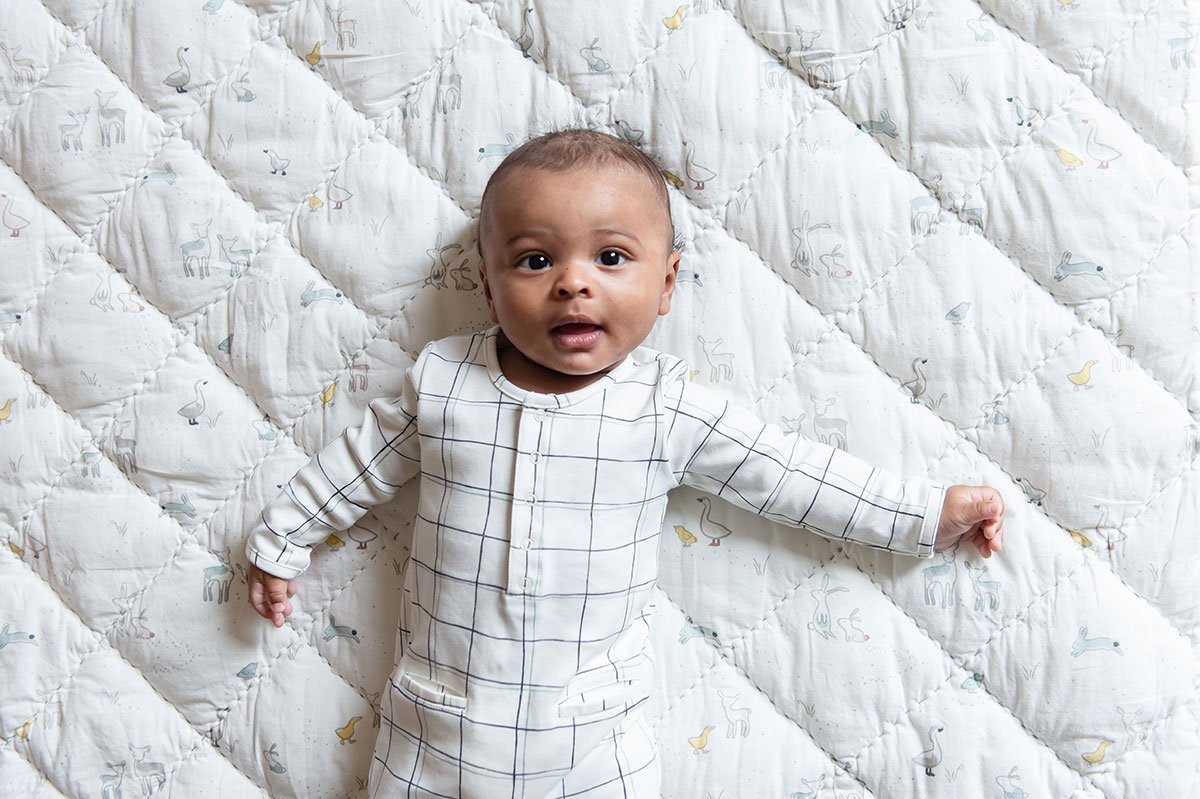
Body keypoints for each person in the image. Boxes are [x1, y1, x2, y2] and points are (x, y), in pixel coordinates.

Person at [244, 129, 1006, 798]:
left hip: (590, 735)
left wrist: (921, 513)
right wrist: (282, 537)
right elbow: (357, 465)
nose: (573, 281)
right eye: (535, 259)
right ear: (487, 284)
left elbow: (789, 473)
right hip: (440, 727)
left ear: (666, 282)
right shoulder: (445, 381)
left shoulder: (666, 406)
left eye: (611, 257)